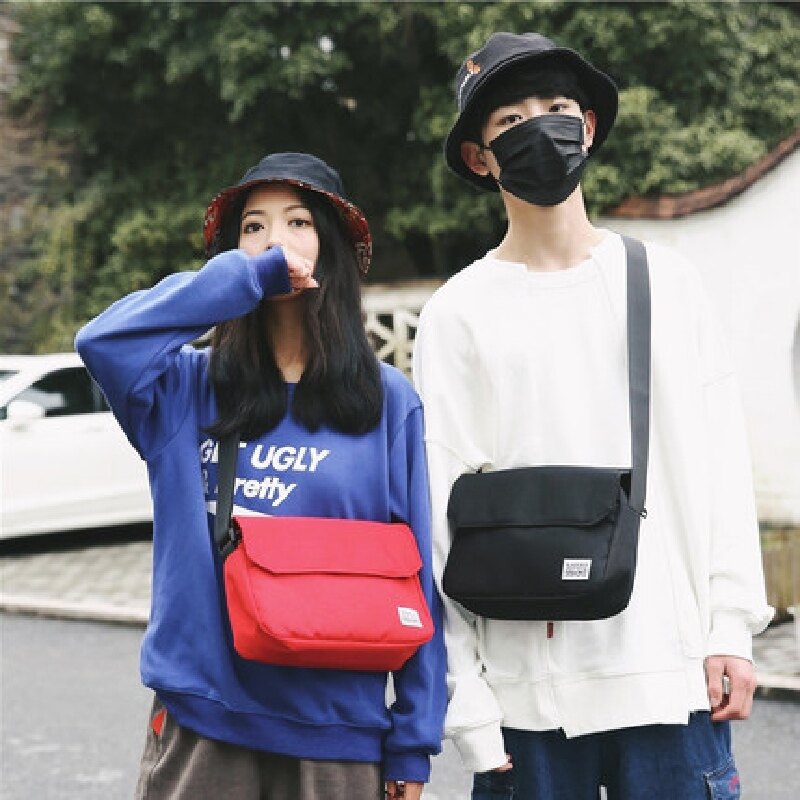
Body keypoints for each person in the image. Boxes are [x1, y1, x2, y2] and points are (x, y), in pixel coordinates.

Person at [413, 31, 773, 800]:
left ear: (588, 126)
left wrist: (731, 628)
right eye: (510, 120)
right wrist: (467, 703)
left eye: (556, 107)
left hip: (672, 681)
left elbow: (720, 465)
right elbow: (439, 514)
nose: (539, 128)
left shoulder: (668, 284)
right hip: (526, 704)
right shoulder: (457, 315)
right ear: (479, 156)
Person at [76, 152, 446, 800]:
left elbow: (419, 581)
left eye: (298, 222)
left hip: (339, 738)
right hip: (204, 726)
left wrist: (413, 741)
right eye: (253, 227)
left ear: (330, 248)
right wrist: (243, 281)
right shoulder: (184, 389)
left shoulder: (387, 402)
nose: (275, 239)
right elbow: (103, 342)